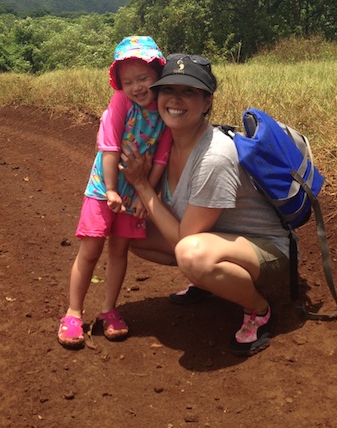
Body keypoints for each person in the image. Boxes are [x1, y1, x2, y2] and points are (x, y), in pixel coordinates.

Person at [119, 53, 292, 356]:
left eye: (189, 91)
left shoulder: (214, 155)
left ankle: (259, 310)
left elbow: (186, 238)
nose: (175, 99)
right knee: (130, 230)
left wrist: (143, 185)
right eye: (168, 89)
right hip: (216, 239)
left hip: (267, 252)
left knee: (191, 253)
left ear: (208, 101)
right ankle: (211, 281)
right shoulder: (166, 143)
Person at [58, 36, 172, 349]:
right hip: (101, 192)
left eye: (143, 78)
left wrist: (145, 197)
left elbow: (161, 158)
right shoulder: (121, 103)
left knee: (119, 252)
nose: (136, 87)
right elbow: (108, 146)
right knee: (90, 251)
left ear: (158, 75)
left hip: (134, 194)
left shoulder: (164, 110)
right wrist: (109, 189)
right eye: (128, 81)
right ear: (119, 84)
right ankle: (73, 312)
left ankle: (109, 309)